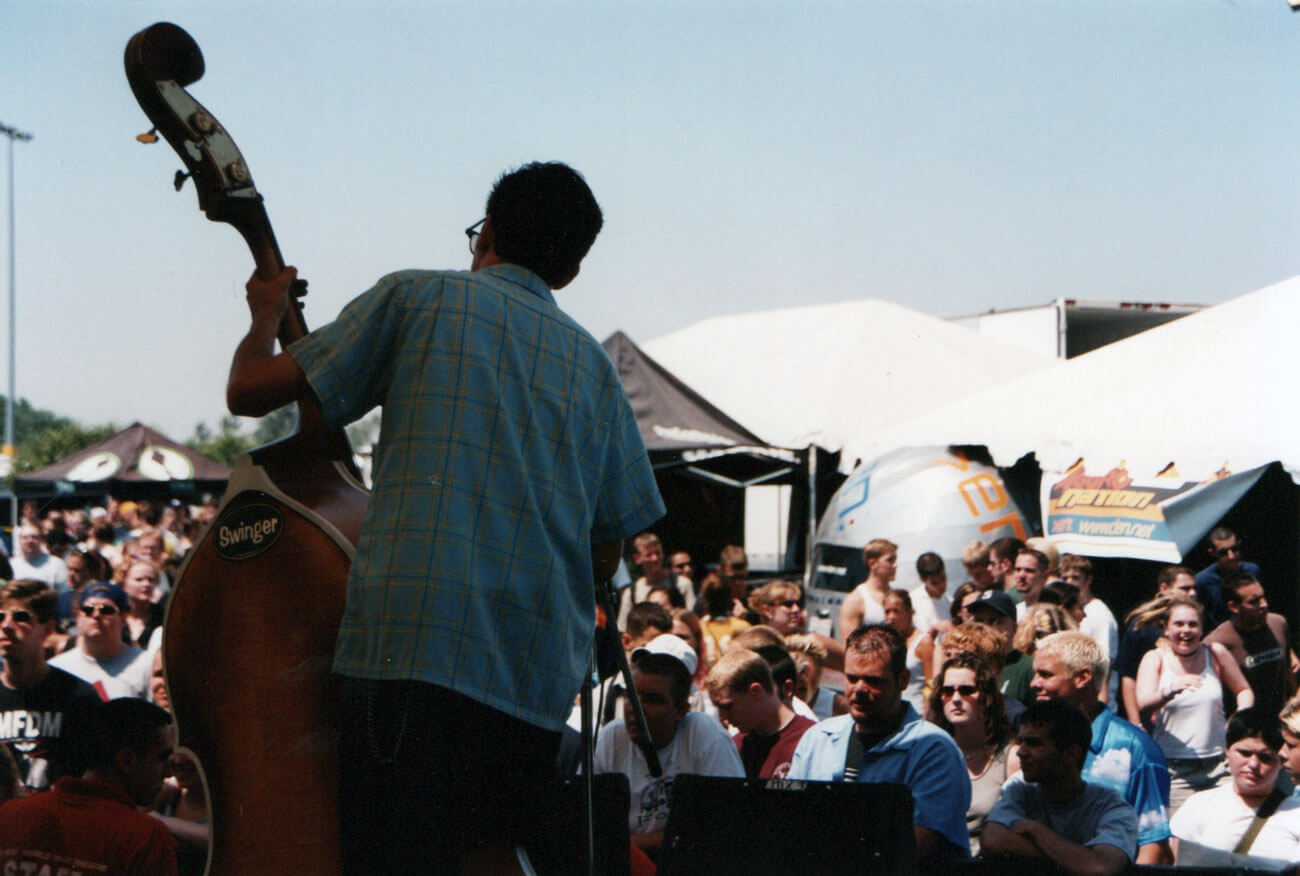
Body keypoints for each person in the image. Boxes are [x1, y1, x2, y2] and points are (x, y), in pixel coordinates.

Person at [226, 161, 665, 874]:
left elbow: (249, 389)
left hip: (410, 656)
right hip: (531, 680)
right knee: (487, 855)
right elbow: (606, 550)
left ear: (486, 231)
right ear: (572, 271)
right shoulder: (595, 369)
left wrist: (265, 316)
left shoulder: (417, 296)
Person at [788, 623, 971, 861]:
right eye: (852, 679)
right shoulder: (818, 739)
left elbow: (920, 844)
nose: (860, 690)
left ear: (903, 679)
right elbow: (789, 820)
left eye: (874, 681)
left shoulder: (933, 750)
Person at [592, 635, 744, 860]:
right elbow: (588, 820)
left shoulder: (705, 735)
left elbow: (727, 825)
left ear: (681, 710)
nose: (635, 708)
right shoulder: (612, 737)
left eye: (652, 700)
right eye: (630, 696)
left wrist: (631, 845)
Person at [1029, 630, 1172, 864]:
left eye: (1045, 674)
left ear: (1082, 677)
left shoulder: (1135, 749)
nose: (1034, 683)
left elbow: (1152, 843)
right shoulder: (1031, 739)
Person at [0, 697, 178, 875]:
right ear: (127, 761)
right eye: (162, 758)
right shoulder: (145, 838)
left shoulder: (10, 815)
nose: (169, 772)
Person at [982, 699, 1138, 875]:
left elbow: (1101, 867)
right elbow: (992, 838)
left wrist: (1035, 830)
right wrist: (1074, 861)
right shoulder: (1020, 787)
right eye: (1021, 741)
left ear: (1071, 754)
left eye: (1034, 743)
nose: (1021, 752)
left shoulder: (1110, 806)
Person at [1135, 595, 1254, 813]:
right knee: (1181, 840)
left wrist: (1240, 717)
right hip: (1176, 769)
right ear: (1166, 629)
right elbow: (1143, 703)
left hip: (1219, 766)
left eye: (1192, 624)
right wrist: (1171, 690)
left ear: (1201, 629)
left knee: (1224, 834)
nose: (1186, 630)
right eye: (1179, 624)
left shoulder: (1215, 653)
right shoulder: (1155, 658)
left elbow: (1244, 690)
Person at [0, 579, 101, 792]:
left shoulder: (78, 697)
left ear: (48, 630)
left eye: (20, 617)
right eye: (1, 617)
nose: (6, 625)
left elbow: (92, 777)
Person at [1171, 708, 1300, 870]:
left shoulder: (1296, 814)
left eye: (1265, 757)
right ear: (1227, 753)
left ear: (1280, 762)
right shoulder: (1199, 805)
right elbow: (1177, 864)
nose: (1253, 764)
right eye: (1245, 753)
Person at [926, 652, 1018, 855]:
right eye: (947, 691)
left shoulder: (1011, 758)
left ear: (988, 696)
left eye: (967, 690)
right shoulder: (930, 755)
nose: (956, 699)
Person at [704, 648, 813, 779]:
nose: (723, 717)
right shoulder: (737, 746)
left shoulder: (810, 741)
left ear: (756, 692)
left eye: (728, 707)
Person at [1206, 570, 1300, 719]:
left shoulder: (1278, 623)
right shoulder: (1217, 643)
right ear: (1233, 607)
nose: (1264, 605)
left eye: (1263, 597)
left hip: (1280, 719)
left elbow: (1288, 669)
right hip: (1245, 726)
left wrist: (1296, 702)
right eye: (1254, 601)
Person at [1115, 566, 1197, 724]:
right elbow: (1128, 676)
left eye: (1194, 588)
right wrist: (1135, 721)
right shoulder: (1143, 626)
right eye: (1185, 588)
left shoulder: (1194, 623)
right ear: (1164, 588)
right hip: (1152, 713)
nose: (1192, 593)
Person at [49, 582, 153, 700]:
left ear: (123, 618)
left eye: (106, 610)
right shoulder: (58, 667)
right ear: (78, 618)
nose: (96, 614)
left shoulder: (146, 664)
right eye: (88, 609)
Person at [615, 532, 697, 628]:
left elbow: (694, 618)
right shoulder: (632, 593)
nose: (655, 558)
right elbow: (623, 627)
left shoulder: (682, 584)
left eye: (658, 553)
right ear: (637, 558)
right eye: (648, 555)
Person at [1195, 526, 1258, 629]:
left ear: (1239, 544)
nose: (1231, 556)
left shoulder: (1252, 571)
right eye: (1223, 552)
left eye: (1234, 549)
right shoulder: (1203, 580)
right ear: (1212, 553)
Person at [883, 588, 933, 715]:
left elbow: (931, 684)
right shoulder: (887, 643)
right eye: (887, 612)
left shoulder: (924, 642)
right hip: (891, 713)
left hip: (916, 713)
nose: (891, 617)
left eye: (896, 611)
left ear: (910, 612)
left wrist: (926, 715)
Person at [837, 538, 897, 638]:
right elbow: (849, 645)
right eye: (890, 560)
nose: (895, 565)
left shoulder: (895, 596)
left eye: (895, 560)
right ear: (873, 564)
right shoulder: (856, 600)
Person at [910, 551, 950, 637]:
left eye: (943, 579)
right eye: (934, 583)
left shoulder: (949, 601)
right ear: (922, 579)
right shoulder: (912, 602)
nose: (941, 585)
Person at [1011, 548, 1049, 620]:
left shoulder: (1053, 612)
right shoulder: (1015, 612)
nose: (1021, 575)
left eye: (1029, 571)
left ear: (1044, 576)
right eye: (1018, 569)